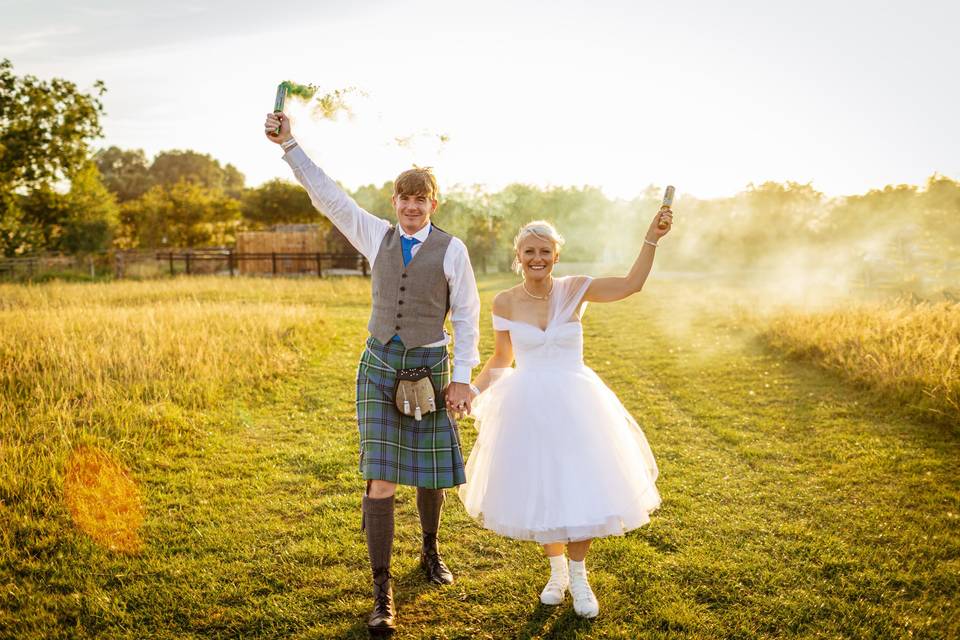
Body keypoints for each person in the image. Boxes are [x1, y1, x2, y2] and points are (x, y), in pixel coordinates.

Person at [263, 112, 480, 636]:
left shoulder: (453, 249)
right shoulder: (374, 235)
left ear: (432, 203)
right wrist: (289, 143)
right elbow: (329, 197)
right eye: (403, 200)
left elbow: (469, 314)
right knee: (380, 475)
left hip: (430, 367)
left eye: (420, 199)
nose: (411, 207)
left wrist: (463, 376)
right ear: (395, 203)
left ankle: (430, 550)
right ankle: (382, 590)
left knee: (429, 473)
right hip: (379, 367)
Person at [458, 210, 672, 618]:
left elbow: (631, 284)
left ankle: (579, 574)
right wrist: (471, 389)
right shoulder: (503, 301)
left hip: (577, 401)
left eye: (545, 251)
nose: (536, 257)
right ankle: (556, 572)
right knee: (543, 486)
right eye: (528, 251)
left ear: (556, 256)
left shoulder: (575, 290)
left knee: (580, 483)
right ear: (517, 256)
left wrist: (652, 237)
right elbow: (502, 359)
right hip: (528, 404)